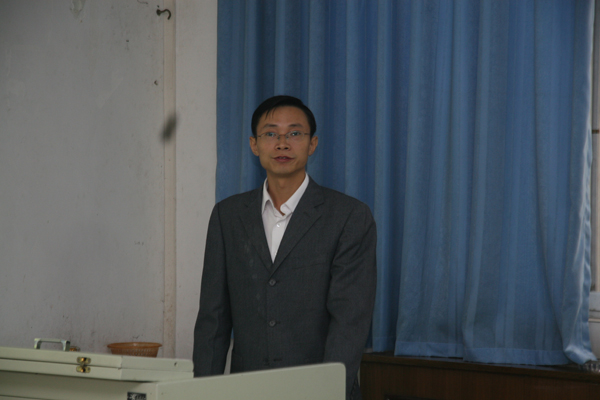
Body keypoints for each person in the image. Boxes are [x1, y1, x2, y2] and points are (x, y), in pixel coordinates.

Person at [193, 95, 377, 400]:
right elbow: (213, 319)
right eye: (270, 134)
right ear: (254, 145)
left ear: (312, 144)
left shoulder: (349, 216)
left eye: (294, 133)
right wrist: (201, 392)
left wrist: (327, 394)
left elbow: (349, 323)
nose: (282, 144)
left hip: (317, 391)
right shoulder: (228, 215)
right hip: (247, 390)